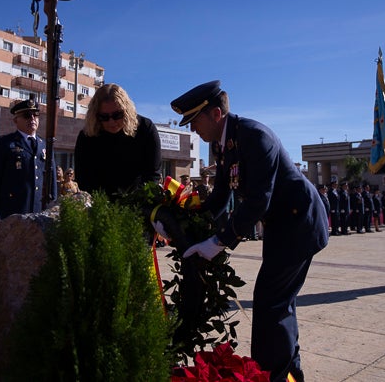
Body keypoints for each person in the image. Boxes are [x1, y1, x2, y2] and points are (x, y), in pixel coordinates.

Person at [170, 80, 328, 382]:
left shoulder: (255, 136)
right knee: (278, 303)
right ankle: (287, 374)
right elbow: (219, 197)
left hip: (298, 224)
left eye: (194, 121)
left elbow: (258, 200)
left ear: (215, 114)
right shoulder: (224, 143)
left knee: (271, 304)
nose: (192, 130)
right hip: (282, 226)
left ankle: (272, 376)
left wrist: (218, 241)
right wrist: (184, 219)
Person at [74, 83, 161, 197]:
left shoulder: (145, 128)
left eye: (117, 115)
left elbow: (152, 175)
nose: (111, 122)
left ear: (127, 111)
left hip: (138, 201)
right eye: (104, 117)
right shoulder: (87, 136)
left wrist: (135, 199)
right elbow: (83, 179)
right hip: (100, 203)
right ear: (96, 116)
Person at [0, 98, 49, 226]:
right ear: (16, 120)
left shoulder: (45, 145)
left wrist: (53, 204)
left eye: (35, 115)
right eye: (26, 115)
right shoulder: (4, 143)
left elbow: (50, 178)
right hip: (12, 210)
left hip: (39, 210)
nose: (32, 119)